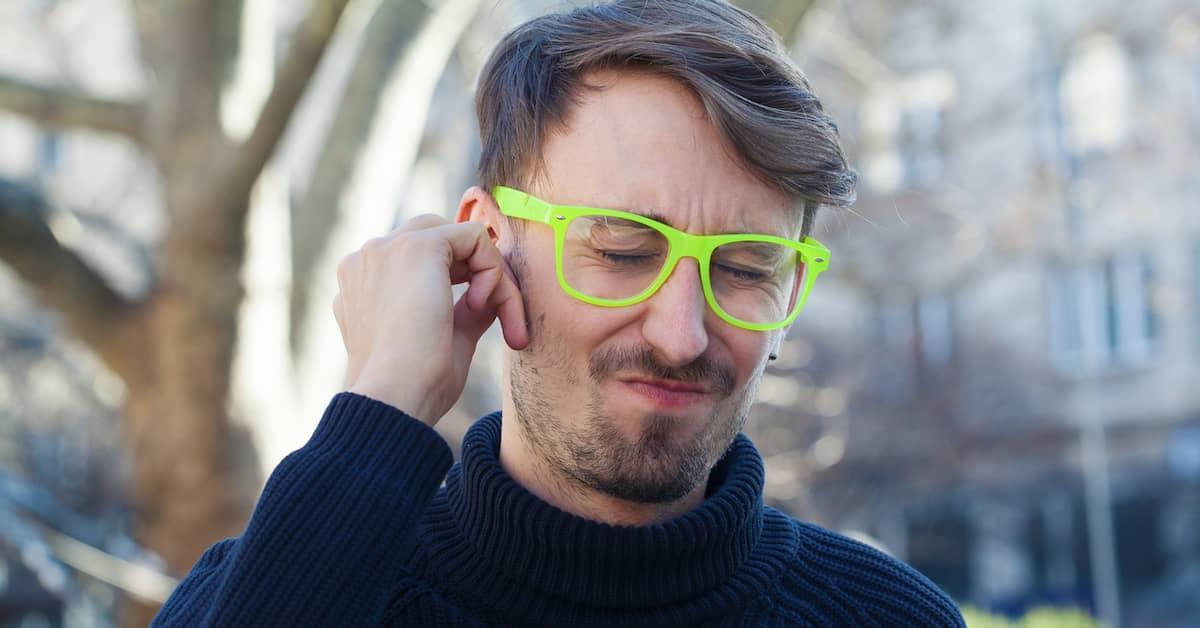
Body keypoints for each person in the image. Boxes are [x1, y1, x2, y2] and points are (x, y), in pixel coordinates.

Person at [153, 1, 965, 626]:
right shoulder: (261, 596)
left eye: (747, 269)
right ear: (489, 241)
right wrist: (384, 397)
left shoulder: (891, 619)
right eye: (621, 252)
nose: (680, 335)